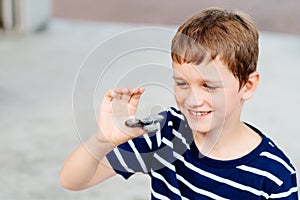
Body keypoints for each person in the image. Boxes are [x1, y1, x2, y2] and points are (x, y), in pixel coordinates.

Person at [60, 7, 298, 199]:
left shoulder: (274, 175)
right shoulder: (164, 133)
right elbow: (72, 181)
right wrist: (102, 140)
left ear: (248, 85)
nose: (193, 100)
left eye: (209, 86)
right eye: (182, 84)